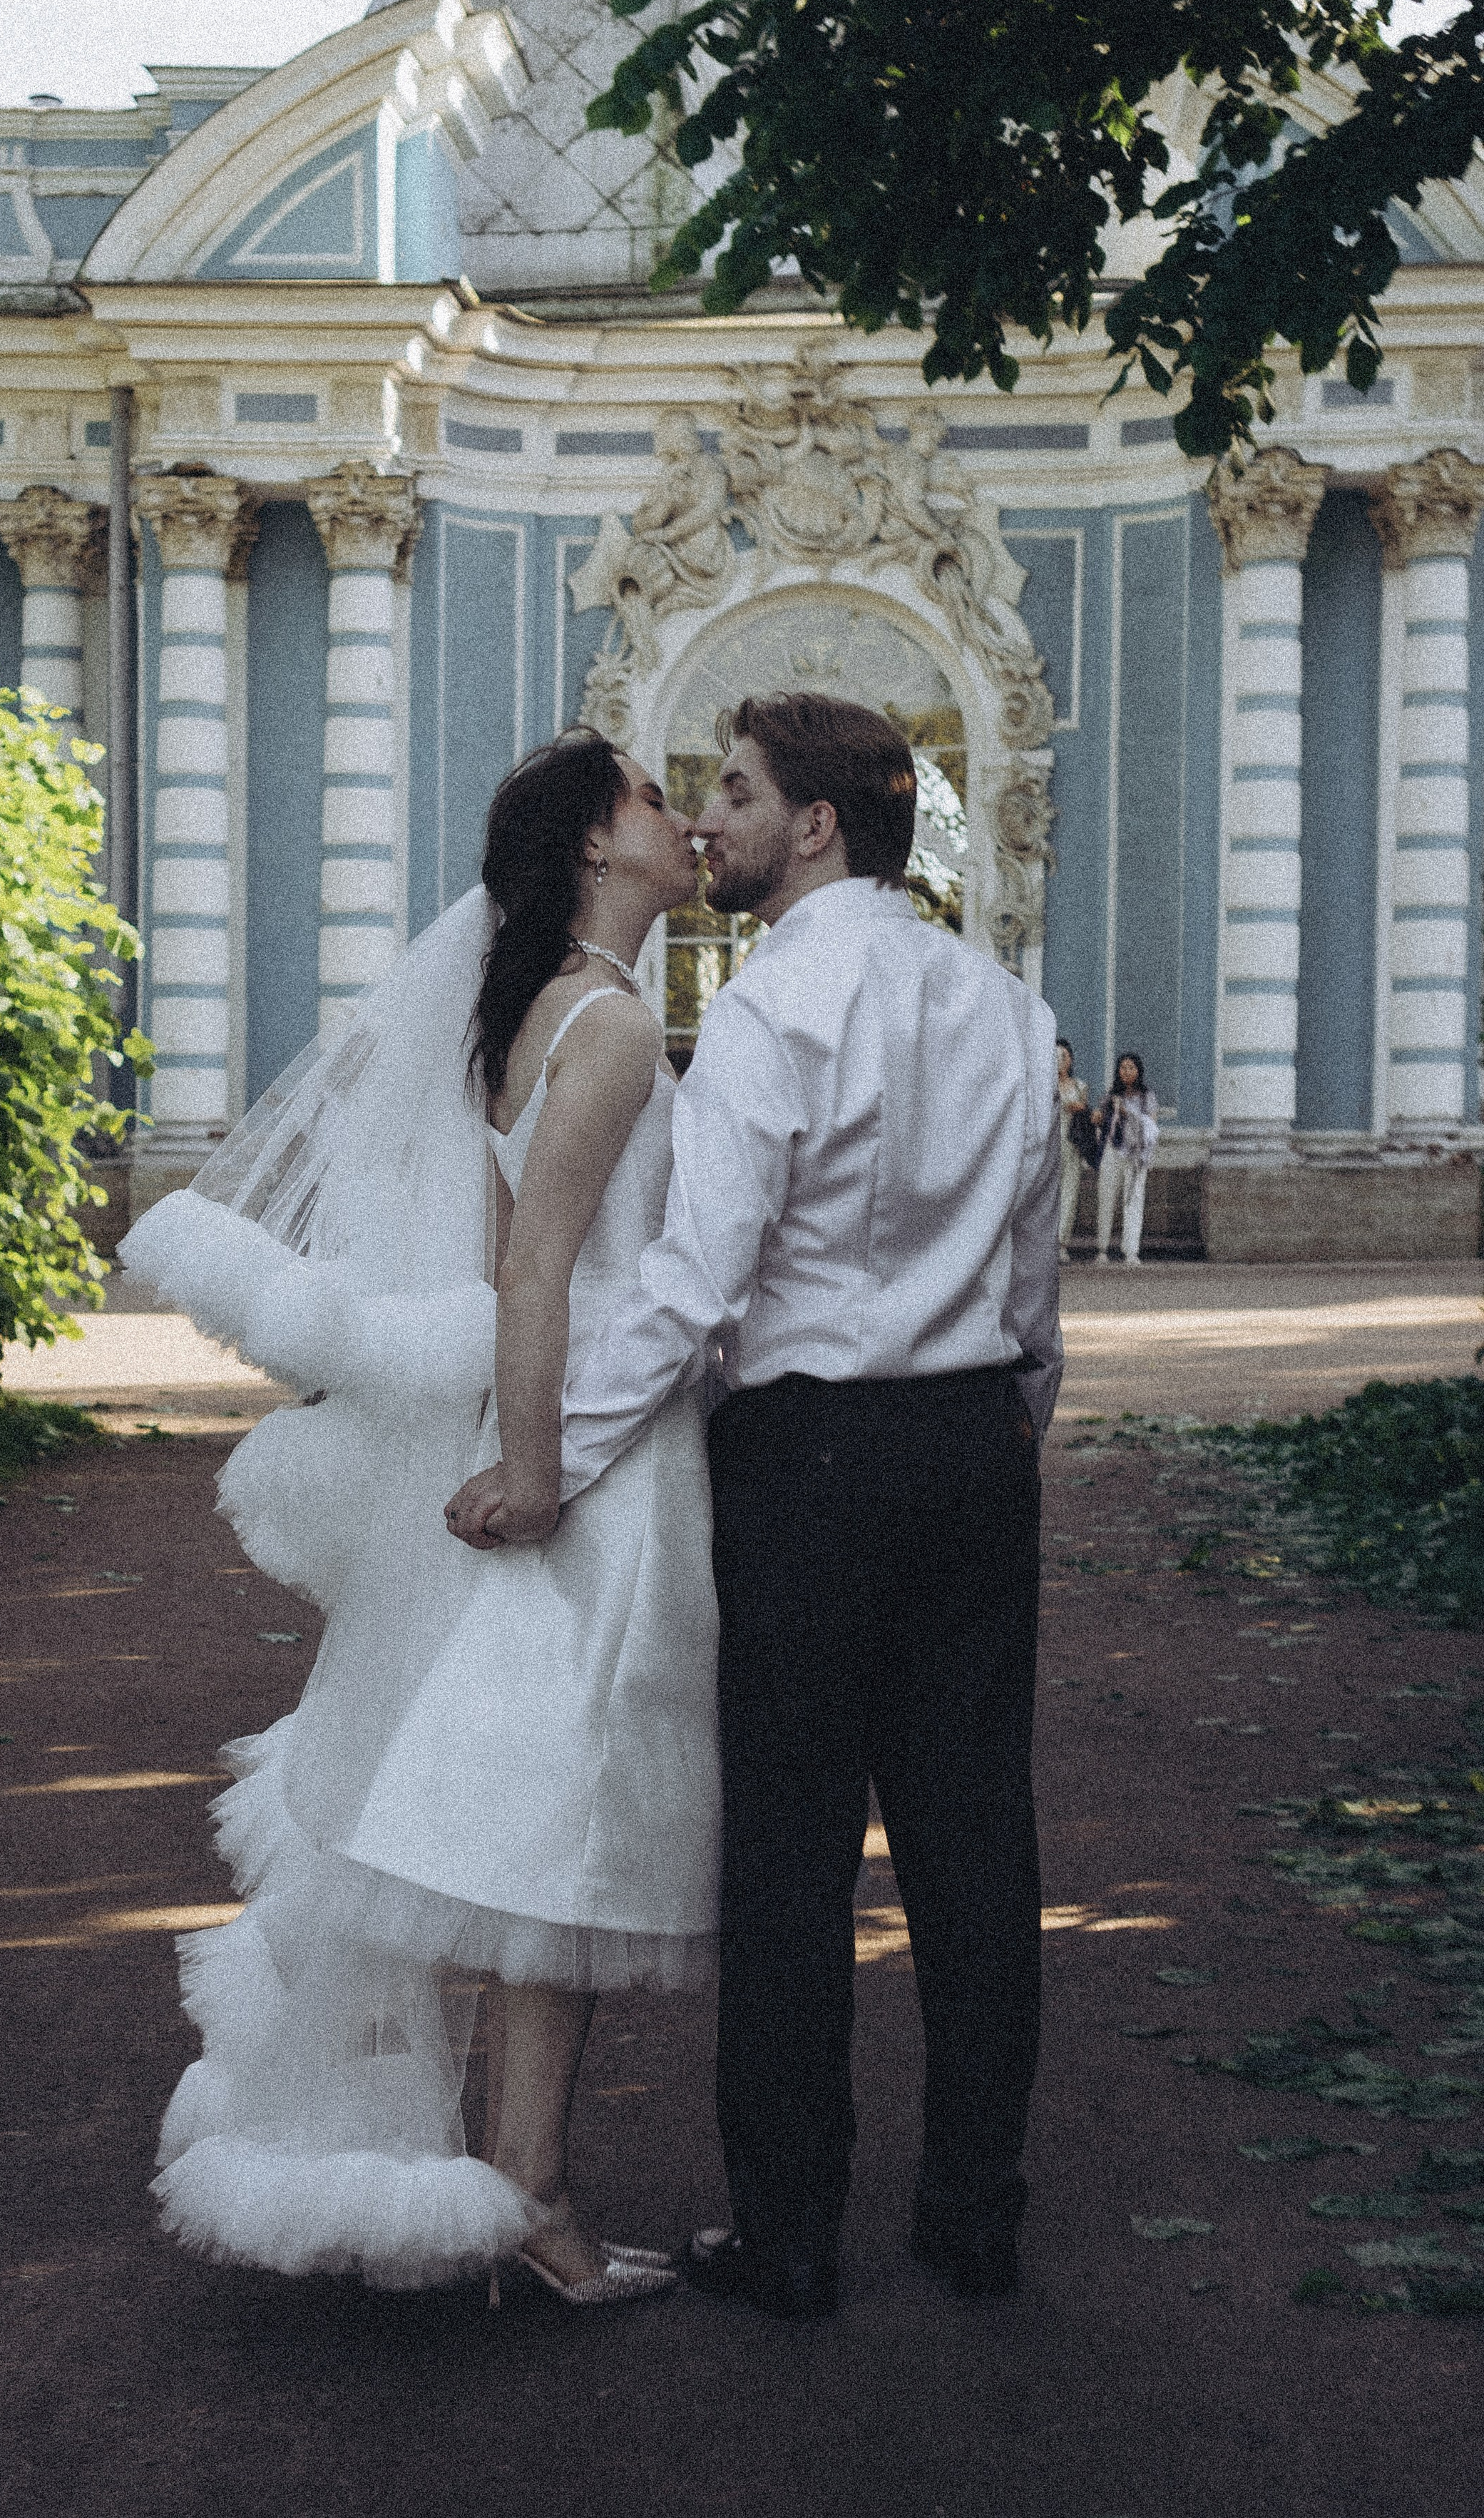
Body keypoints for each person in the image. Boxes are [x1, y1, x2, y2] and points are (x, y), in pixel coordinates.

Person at [451, 691, 1063, 2315]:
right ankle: (970, 2213)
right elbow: (1031, 1276)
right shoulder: (1005, 1005)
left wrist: (545, 1463)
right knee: (976, 1846)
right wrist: (1011, 1426)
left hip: (805, 1460)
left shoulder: (768, 1011)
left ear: (811, 825)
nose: (708, 817)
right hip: (969, 1450)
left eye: (731, 790)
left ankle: (788, 2236)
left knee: (786, 1862)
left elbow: (688, 1285)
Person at [117, 730, 721, 2305]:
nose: (677, 821)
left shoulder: (548, 1011)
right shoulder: (602, 1030)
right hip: (587, 1459)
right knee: (565, 1828)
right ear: (595, 849)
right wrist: (535, 1466)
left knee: (538, 1834)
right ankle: (530, 2189)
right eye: (654, 800)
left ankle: (528, 2182)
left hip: (571, 1434)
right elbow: (532, 1274)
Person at [1092, 1051, 1158, 1265]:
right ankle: (1102, 1248)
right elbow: (1099, 1117)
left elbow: (1152, 1125)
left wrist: (1128, 1113)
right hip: (1113, 1150)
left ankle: (1131, 1251)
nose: (1126, 1072)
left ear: (1138, 1071)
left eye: (1131, 1068)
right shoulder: (1111, 1095)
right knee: (1106, 1197)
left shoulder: (1147, 1096)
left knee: (1134, 1200)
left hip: (1135, 1154)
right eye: (1123, 1068)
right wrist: (1099, 1116)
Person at [1055, 1037, 1090, 1263]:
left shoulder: (1080, 1086)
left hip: (1071, 1145)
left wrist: (1082, 1109)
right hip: (1047, 1146)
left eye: (1064, 1056)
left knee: (1069, 1195)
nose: (1060, 1060)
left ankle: (1061, 1243)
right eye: (1056, 1056)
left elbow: (1086, 1117)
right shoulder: (1043, 1085)